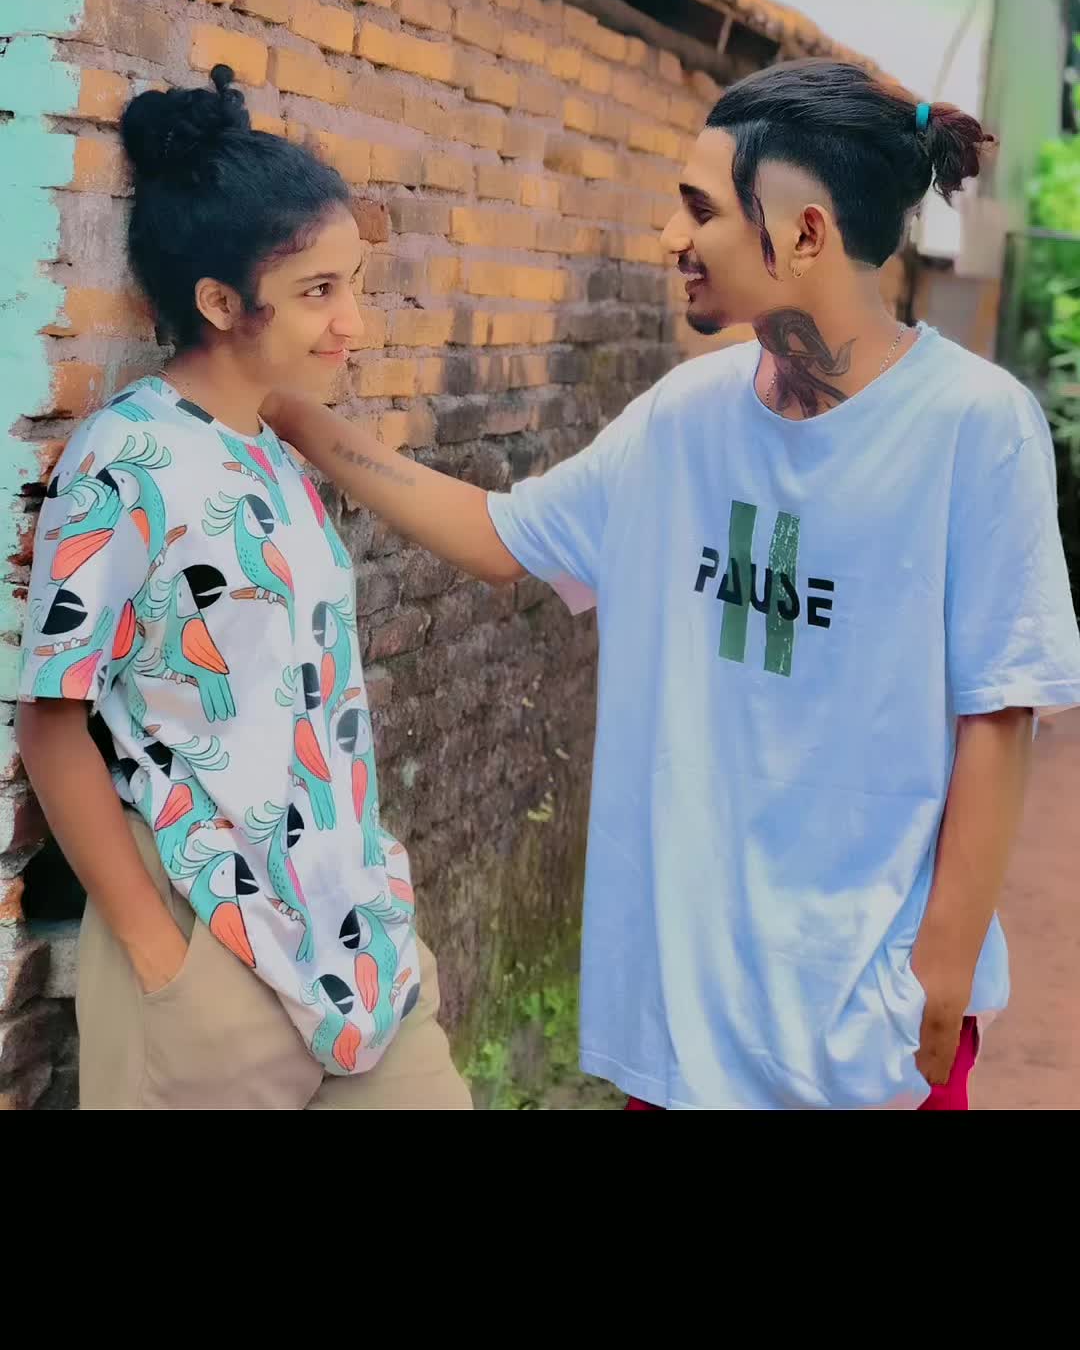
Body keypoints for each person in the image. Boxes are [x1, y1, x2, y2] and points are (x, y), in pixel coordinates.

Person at [267, 59, 1080, 1111]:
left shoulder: (974, 425)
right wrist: (293, 414)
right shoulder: (684, 416)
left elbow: (999, 709)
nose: (669, 237)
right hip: (687, 1020)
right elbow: (500, 536)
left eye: (701, 210)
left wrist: (942, 971)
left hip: (868, 1022)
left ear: (805, 234)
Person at [17, 66, 470, 1111]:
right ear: (220, 302)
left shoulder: (272, 449)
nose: (353, 321)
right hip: (206, 954)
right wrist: (161, 963)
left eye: (353, 283)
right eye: (317, 292)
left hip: (358, 954)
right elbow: (52, 721)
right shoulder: (125, 460)